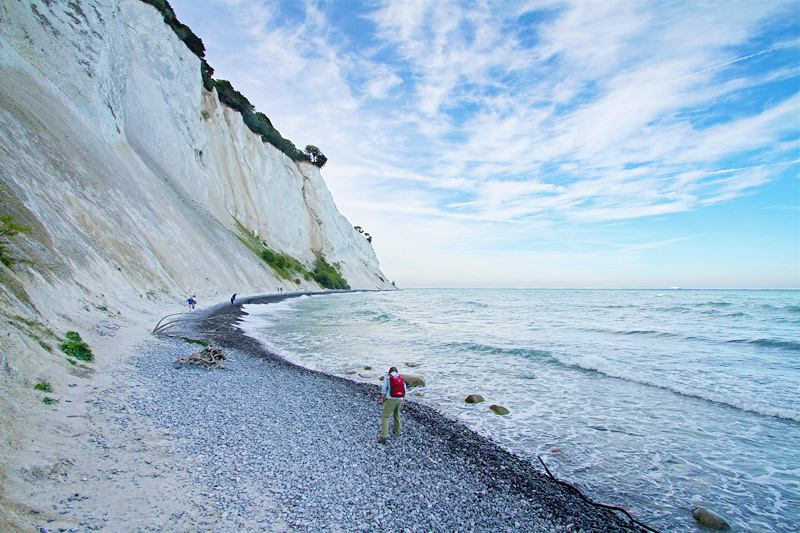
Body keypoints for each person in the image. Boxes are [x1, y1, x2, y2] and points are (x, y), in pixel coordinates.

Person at [379, 366, 405, 443]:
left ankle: (384, 435)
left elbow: (384, 388)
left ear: (389, 371)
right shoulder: (401, 378)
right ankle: (398, 431)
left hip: (391, 398)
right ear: (397, 372)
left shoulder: (387, 377)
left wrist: (382, 398)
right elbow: (404, 390)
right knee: (397, 414)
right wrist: (403, 401)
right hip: (400, 398)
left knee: (385, 416)